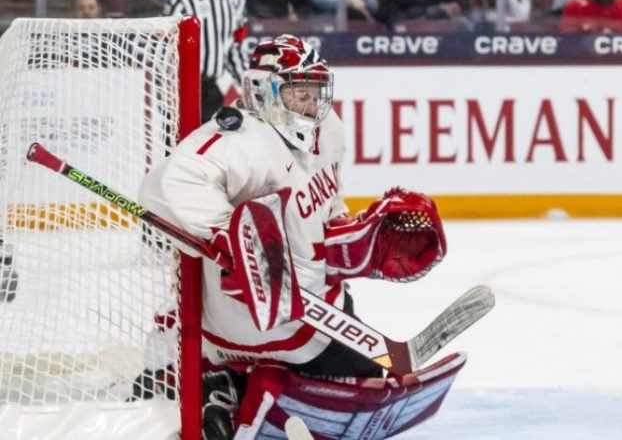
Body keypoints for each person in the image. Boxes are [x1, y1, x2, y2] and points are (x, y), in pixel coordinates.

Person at [138, 35, 448, 439]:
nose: (311, 105)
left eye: (316, 93)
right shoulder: (241, 140)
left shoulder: (329, 127)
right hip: (254, 316)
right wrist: (225, 234)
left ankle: (237, 387)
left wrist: (355, 243)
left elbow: (326, 206)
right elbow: (165, 184)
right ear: (262, 92)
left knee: (368, 375)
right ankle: (243, 384)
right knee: (364, 384)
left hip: (317, 304)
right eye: (298, 93)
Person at [163, 0, 249, 123]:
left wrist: (246, 87)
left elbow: (236, 47)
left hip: (214, 89)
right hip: (182, 87)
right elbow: (164, 47)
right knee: (178, 145)